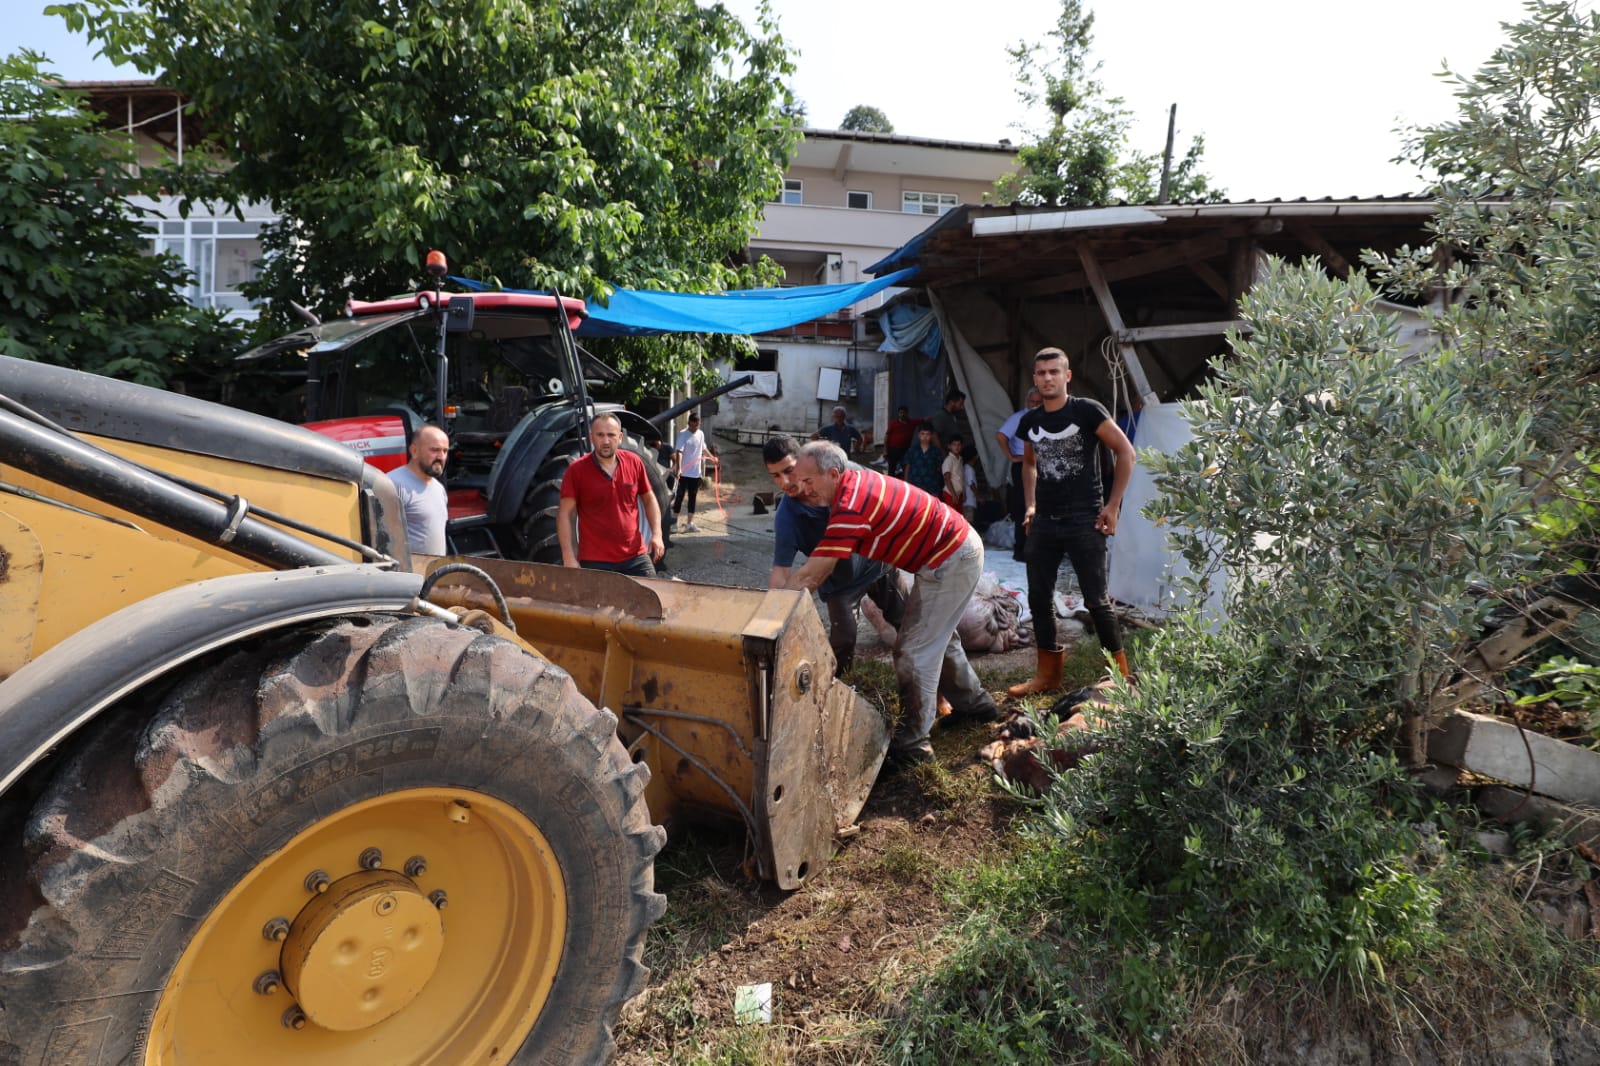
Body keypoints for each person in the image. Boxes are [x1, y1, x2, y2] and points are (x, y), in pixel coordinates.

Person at [787, 441, 998, 767]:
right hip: (953, 550)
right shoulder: (852, 481)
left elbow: (814, 573)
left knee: (913, 651)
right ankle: (976, 706)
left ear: (832, 473)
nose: (802, 489)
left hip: (951, 558)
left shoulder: (850, 505)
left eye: (808, 481)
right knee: (938, 638)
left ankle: (914, 744)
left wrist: (772, 614)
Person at [1009, 347, 1137, 697]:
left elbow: (1126, 452)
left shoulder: (1086, 411)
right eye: (1041, 373)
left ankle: (1122, 678)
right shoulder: (1030, 421)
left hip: (1085, 518)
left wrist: (1113, 506)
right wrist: (1031, 505)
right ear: (1035, 379)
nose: (1047, 378)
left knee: (1096, 600)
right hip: (1046, 521)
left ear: (1067, 376)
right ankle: (1048, 676)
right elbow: (1030, 464)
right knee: (1038, 597)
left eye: (1054, 372)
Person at [764, 435, 907, 675]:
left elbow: (882, 494)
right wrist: (771, 623)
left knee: (908, 624)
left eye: (789, 470)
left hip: (877, 564)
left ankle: (928, 691)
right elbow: (781, 573)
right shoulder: (788, 516)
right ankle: (835, 690)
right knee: (844, 639)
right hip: (840, 583)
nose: (784, 482)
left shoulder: (840, 472)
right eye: (776, 476)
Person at [558, 412, 665, 577]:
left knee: (652, 598)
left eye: (611, 435)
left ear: (620, 437)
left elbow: (649, 499)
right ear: (591, 437)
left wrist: (657, 534)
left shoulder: (634, 462)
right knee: (597, 603)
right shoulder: (576, 470)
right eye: (600, 435)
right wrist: (568, 557)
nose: (606, 441)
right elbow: (564, 514)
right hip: (595, 561)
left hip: (635, 556)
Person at [995, 387, 1044, 562]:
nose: (1036, 405)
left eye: (1039, 402)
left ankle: (1037, 549)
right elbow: (1001, 435)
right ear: (1027, 402)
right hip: (1023, 465)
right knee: (1023, 507)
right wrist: (1010, 456)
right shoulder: (1019, 418)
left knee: (1042, 507)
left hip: (1042, 466)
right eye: (1033, 402)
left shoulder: (1046, 416)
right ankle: (1021, 550)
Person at [388, 423, 450, 555]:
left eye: (445, 451)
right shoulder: (393, 484)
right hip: (406, 574)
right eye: (434, 450)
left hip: (434, 572)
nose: (441, 457)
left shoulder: (439, 489)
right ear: (414, 451)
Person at [671, 412, 708, 533]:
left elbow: (704, 449)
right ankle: (674, 523)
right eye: (694, 425)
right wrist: (679, 468)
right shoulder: (683, 434)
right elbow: (679, 452)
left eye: (698, 425)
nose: (696, 427)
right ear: (689, 423)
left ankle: (689, 523)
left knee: (693, 498)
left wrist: (713, 458)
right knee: (679, 497)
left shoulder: (701, 434)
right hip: (684, 473)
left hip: (695, 473)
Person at [904, 424, 944, 499]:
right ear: (918, 435)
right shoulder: (912, 450)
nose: (925, 437)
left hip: (931, 486)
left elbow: (939, 468)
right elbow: (907, 466)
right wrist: (906, 482)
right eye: (922, 434)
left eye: (928, 434)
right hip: (915, 484)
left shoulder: (936, 451)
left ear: (932, 436)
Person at [941, 435, 972, 518]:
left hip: (959, 493)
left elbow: (962, 479)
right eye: (954, 444)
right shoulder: (948, 460)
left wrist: (963, 493)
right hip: (950, 493)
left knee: (959, 516)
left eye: (959, 445)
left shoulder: (960, 460)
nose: (957, 447)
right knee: (952, 516)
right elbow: (947, 479)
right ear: (949, 446)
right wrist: (953, 494)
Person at [883, 405, 917, 477]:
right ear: (898, 414)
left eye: (904, 413)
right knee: (892, 468)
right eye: (901, 413)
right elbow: (887, 436)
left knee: (905, 467)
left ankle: (905, 483)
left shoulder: (912, 423)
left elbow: (924, 420)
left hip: (905, 450)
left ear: (907, 413)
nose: (902, 415)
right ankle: (890, 484)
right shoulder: (893, 423)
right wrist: (885, 450)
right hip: (893, 449)